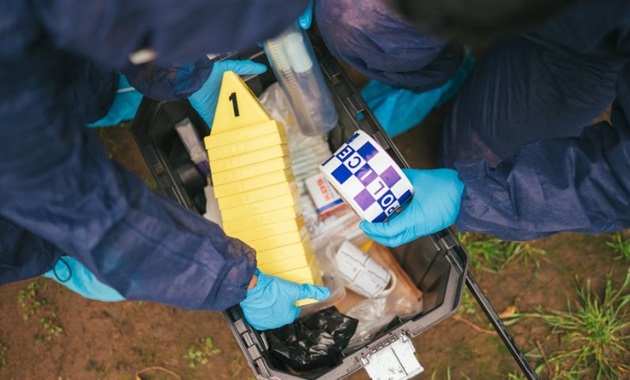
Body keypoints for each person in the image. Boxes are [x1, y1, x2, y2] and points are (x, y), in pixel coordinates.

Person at [0, 0, 330, 332]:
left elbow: (137, 15)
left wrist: (184, 75)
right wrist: (241, 283)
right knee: (71, 248)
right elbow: (95, 217)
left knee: (89, 89)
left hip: (47, 63)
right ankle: (56, 254)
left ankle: (83, 97)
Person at [315, 0, 630, 245]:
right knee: (354, 16)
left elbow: (620, 181)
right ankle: (437, 70)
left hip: (582, 52)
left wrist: (471, 195)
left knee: (475, 165)